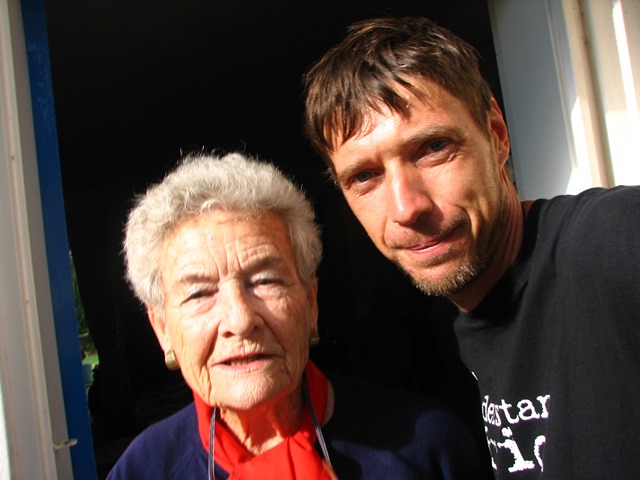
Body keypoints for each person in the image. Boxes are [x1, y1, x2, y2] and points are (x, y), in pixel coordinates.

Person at [303, 16, 640, 480]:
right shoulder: (445, 331)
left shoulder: (612, 241)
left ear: (496, 135)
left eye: (433, 147)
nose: (406, 208)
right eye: (364, 176)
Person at [108, 152, 488, 479]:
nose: (240, 320)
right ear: (162, 329)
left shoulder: (427, 446)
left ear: (310, 302)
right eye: (199, 293)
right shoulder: (141, 469)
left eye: (265, 280)